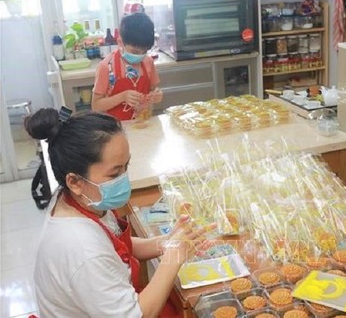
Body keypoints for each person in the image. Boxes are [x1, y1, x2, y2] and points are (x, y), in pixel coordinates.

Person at [25, 108, 211, 317]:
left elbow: (119, 247)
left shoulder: (81, 200)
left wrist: (165, 242)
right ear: (75, 181)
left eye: (126, 167)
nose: (124, 179)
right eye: (115, 173)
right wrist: (173, 257)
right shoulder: (82, 248)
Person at [92, 12, 163, 121]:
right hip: (116, 128)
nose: (140, 55)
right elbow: (96, 106)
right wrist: (122, 97)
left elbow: (152, 90)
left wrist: (156, 96)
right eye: (135, 51)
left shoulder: (148, 62)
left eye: (144, 51)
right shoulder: (107, 67)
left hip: (143, 123)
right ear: (120, 42)